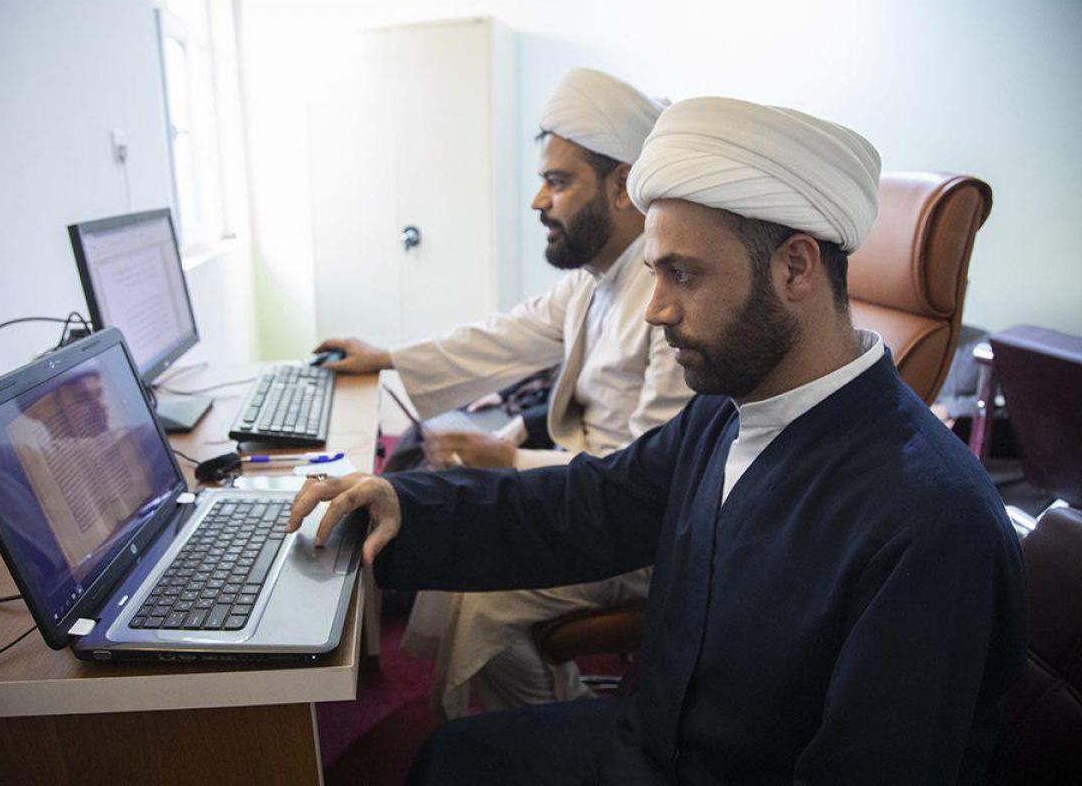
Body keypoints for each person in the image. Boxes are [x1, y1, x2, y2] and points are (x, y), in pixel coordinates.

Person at [289, 96, 1027, 783]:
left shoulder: (932, 522)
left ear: (795, 267)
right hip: (654, 740)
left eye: (683, 275)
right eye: (654, 273)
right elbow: (586, 505)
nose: (657, 309)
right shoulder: (727, 410)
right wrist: (404, 503)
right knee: (452, 759)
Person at [316, 68, 693, 719]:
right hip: (582, 491)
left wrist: (510, 459)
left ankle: (554, 726)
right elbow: (504, 335)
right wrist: (389, 357)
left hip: (635, 530)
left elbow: (650, 481)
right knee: (460, 531)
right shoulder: (598, 279)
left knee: (482, 594)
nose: (538, 201)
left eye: (558, 182)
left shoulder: (668, 300)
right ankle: (548, 708)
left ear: (622, 186)